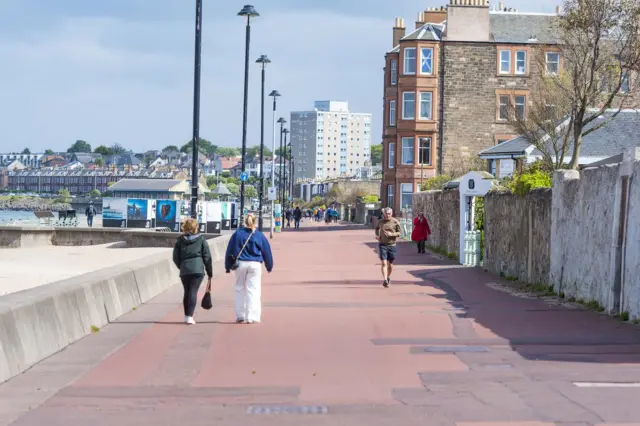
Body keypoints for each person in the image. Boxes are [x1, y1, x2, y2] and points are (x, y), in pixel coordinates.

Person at [225, 213, 274, 324]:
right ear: (255, 222)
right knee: (254, 290)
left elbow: (229, 250)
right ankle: (251, 316)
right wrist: (269, 266)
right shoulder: (259, 235)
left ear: (244, 222)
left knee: (239, 289)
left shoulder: (237, 234)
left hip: (241, 263)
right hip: (255, 264)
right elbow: (267, 251)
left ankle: (240, 315)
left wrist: (228, 266)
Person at [172, 218, 213, 325]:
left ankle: (186, 315)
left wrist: (181, 266)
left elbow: (175, 257)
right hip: (198, 270)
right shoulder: (201, 239)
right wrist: (210, 272)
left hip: (185, 269)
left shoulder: (180, 240)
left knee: (187, 291)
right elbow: (207, 257)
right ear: (196, 227)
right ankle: (190, 316)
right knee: (193, 291)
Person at [374, 207, 402, 288]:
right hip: (382, 244)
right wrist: (377, 235)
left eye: (389, 214)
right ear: (384, 214)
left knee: (390, 264)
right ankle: (385, 280)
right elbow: (376, 229)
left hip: (392, 245)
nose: (387, 215)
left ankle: (388, 277)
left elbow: (399, 233)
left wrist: (391, 234)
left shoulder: (395, 222)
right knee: (384, 263)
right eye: (386, 214)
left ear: (391, 214)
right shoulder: (381, 221)